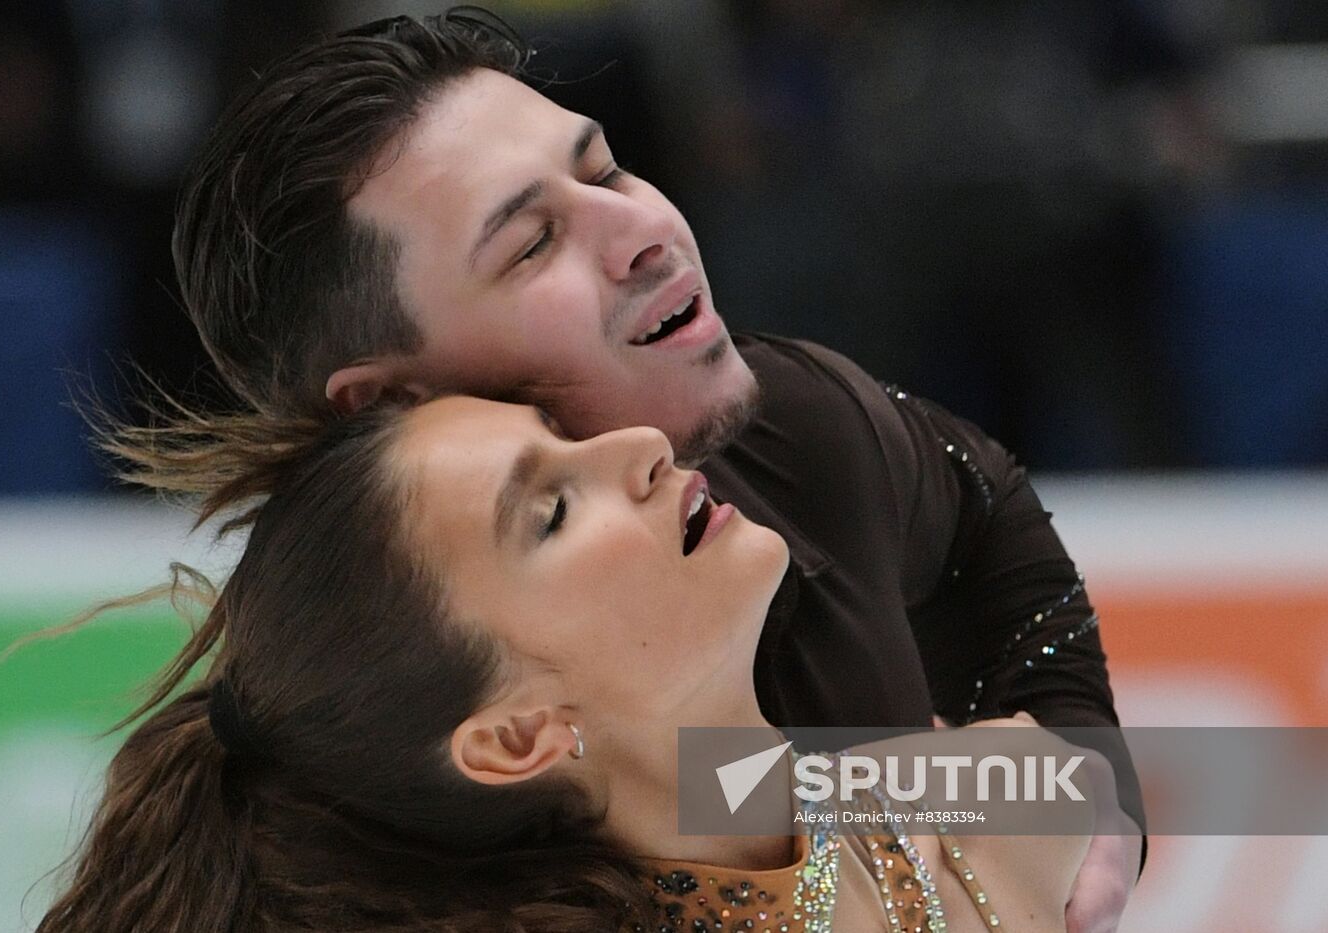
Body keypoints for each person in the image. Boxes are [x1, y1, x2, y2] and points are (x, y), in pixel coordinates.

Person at [166, 8, 1143, 927]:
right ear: (386, 404)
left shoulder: (792, 422)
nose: (643, 230)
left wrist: (1058, 778)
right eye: (532, 243)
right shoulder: (388, 754)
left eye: (605, 169)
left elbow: (982, 517)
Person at [37, 395, 1094, 932]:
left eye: (561, 432)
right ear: (515, 734)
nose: (634, 445)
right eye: (549, 510)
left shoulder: (980, 793)